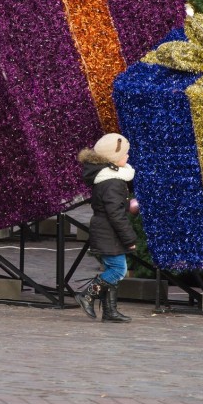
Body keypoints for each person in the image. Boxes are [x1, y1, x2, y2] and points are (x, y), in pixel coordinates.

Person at [75, 133, 137, 323]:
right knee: (118, 270)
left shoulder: (107, 178)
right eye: (125, 154)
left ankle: (110, 311)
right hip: (108, 232)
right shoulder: (113, 181)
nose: (128, 156)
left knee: (113, 268)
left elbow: (112, 206)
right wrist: (130, 239)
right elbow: (115, 214)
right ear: (113, 158)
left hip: (104, 230)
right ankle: (87, 295)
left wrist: (127, 205)